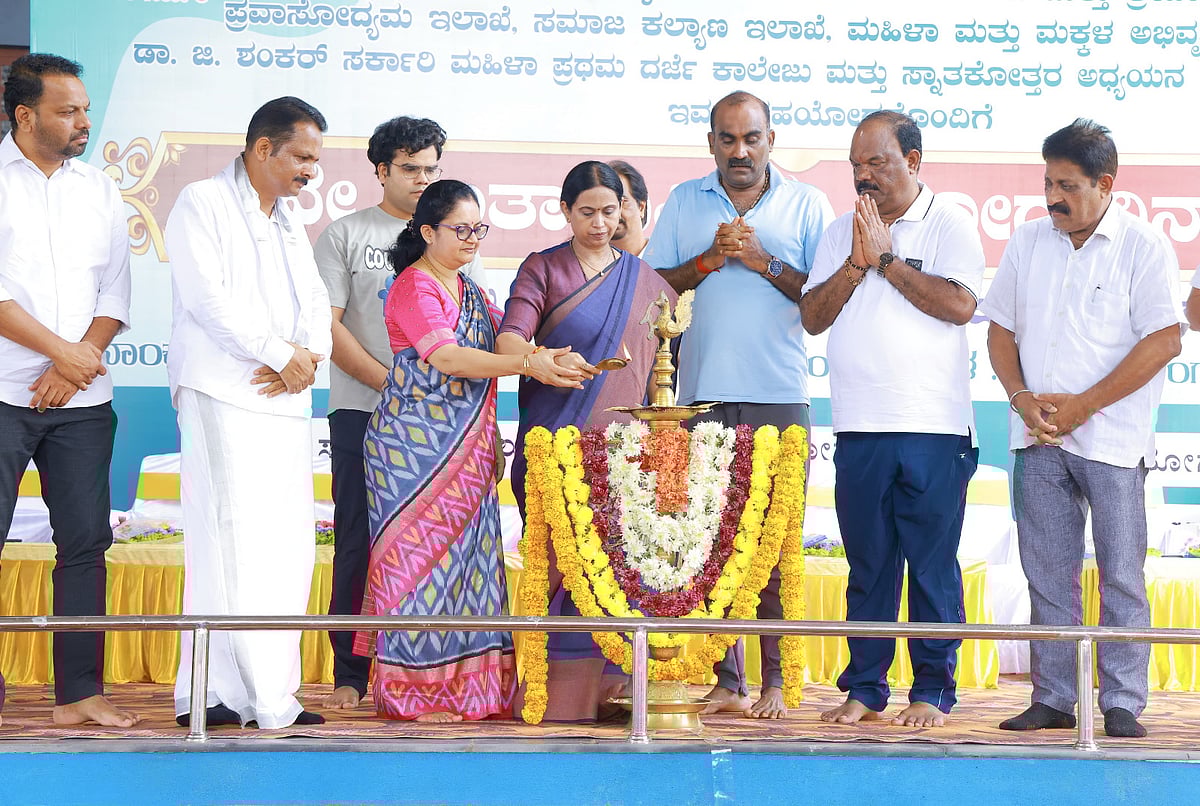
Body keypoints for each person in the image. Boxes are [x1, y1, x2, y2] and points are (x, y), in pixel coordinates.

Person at [353, 179, 585, 722]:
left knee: (471, 570)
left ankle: (471, 694)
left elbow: (501, 353)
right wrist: (529, 364)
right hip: (410, 454)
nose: (472, 238)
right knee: (416, 573)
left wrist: (545, 357)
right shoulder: (414, 287)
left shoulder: (474, 293)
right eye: (461, 229)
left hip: (469, 451)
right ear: (427, 231)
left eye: (479, 229)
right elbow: (451, 359)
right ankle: (415, 695)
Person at [984, 119, 1182, 739]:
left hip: (1113, 440)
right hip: (1037, 437)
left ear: (1105, 184)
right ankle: (1055, 698)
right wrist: (1020, 400)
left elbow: (1165, 341)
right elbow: (999, 332)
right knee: (1046, 572)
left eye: (1066, 185)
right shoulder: (1027, 242)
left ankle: (1122, 701)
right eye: (1047, 182)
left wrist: (1083, 406)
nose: (1052, 197)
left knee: (1122, 572)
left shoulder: (1144, 246)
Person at [643, 90, 833, 719]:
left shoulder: (809, 204)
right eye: (728, 139)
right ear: (712, 145)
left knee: (776, 545)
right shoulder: (683, 201)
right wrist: (708, 260)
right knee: (709, 541)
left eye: (751, 138)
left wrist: (761, 260)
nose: (740, 150)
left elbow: (821, 303)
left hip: (780, 398)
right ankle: (727, 678)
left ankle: (778, 680)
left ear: (771, 140)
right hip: (700, 400)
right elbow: (651, 289)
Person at [800, 111, 984, 728]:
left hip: (934, 428)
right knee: (870, 565)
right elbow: (813, 318)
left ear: (914, 161)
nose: (863, 176)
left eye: (876, 163)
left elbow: (959, 305)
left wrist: (885, 261)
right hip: (859, 426)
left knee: (932, 566)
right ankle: (866, 686)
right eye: (856, 165)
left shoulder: (951, 224)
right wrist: (856, 262)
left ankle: (933, 688)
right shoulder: (837, 231)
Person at [166, 96, 333, 729]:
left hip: (286, 398)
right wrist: (275, 352)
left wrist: (307, 357)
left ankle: (220, 692)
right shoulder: (202, 203)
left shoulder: (288, 216)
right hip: (224, 390)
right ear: (263, 148)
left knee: (284, 545)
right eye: (301, 157)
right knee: (229, 544)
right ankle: (261, 701)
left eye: (315, 161)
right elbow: (207, 298)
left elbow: (315, 299)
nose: (309, 172)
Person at [313, 116, 487, 711]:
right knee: (360, 539)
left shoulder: (456, 239)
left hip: (440, 425)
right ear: (381, 170)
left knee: (439, 549)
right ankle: (351, 671)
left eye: (430, 168)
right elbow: (327, 327)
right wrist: (398, 386)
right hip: (368, 413)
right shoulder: (344, 235)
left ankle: (430, 669)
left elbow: (475, 334)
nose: (420, 178)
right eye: (409, 168)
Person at [499, 160, 676, 722]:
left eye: (611, 210)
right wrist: (542, 361)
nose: (601, 223)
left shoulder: (647, 284)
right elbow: (509, 343)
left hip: (623, 461)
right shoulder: (542, 270)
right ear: (565, 211)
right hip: (552, 451)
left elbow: (661, 380)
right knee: (557, 568)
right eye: (587, 212)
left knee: (617, 572)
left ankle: (616, 687)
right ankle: (556, 692)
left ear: (628, 207)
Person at [0, 53, 136, 729]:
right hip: (3, 394)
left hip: (80, 404)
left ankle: (79, 693)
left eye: (84, 107)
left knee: (84, 544)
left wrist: (77, 364)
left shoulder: (99, 188)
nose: (84, 121)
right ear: (25, 116)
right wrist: (63, 354)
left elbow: (116, 289)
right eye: (67, 110)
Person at [608, 159, 650, 257]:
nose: (615, 213)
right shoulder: (584, 267)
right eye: (606, 206)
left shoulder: (667, 261)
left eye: (622, 202)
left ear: (641, 207)